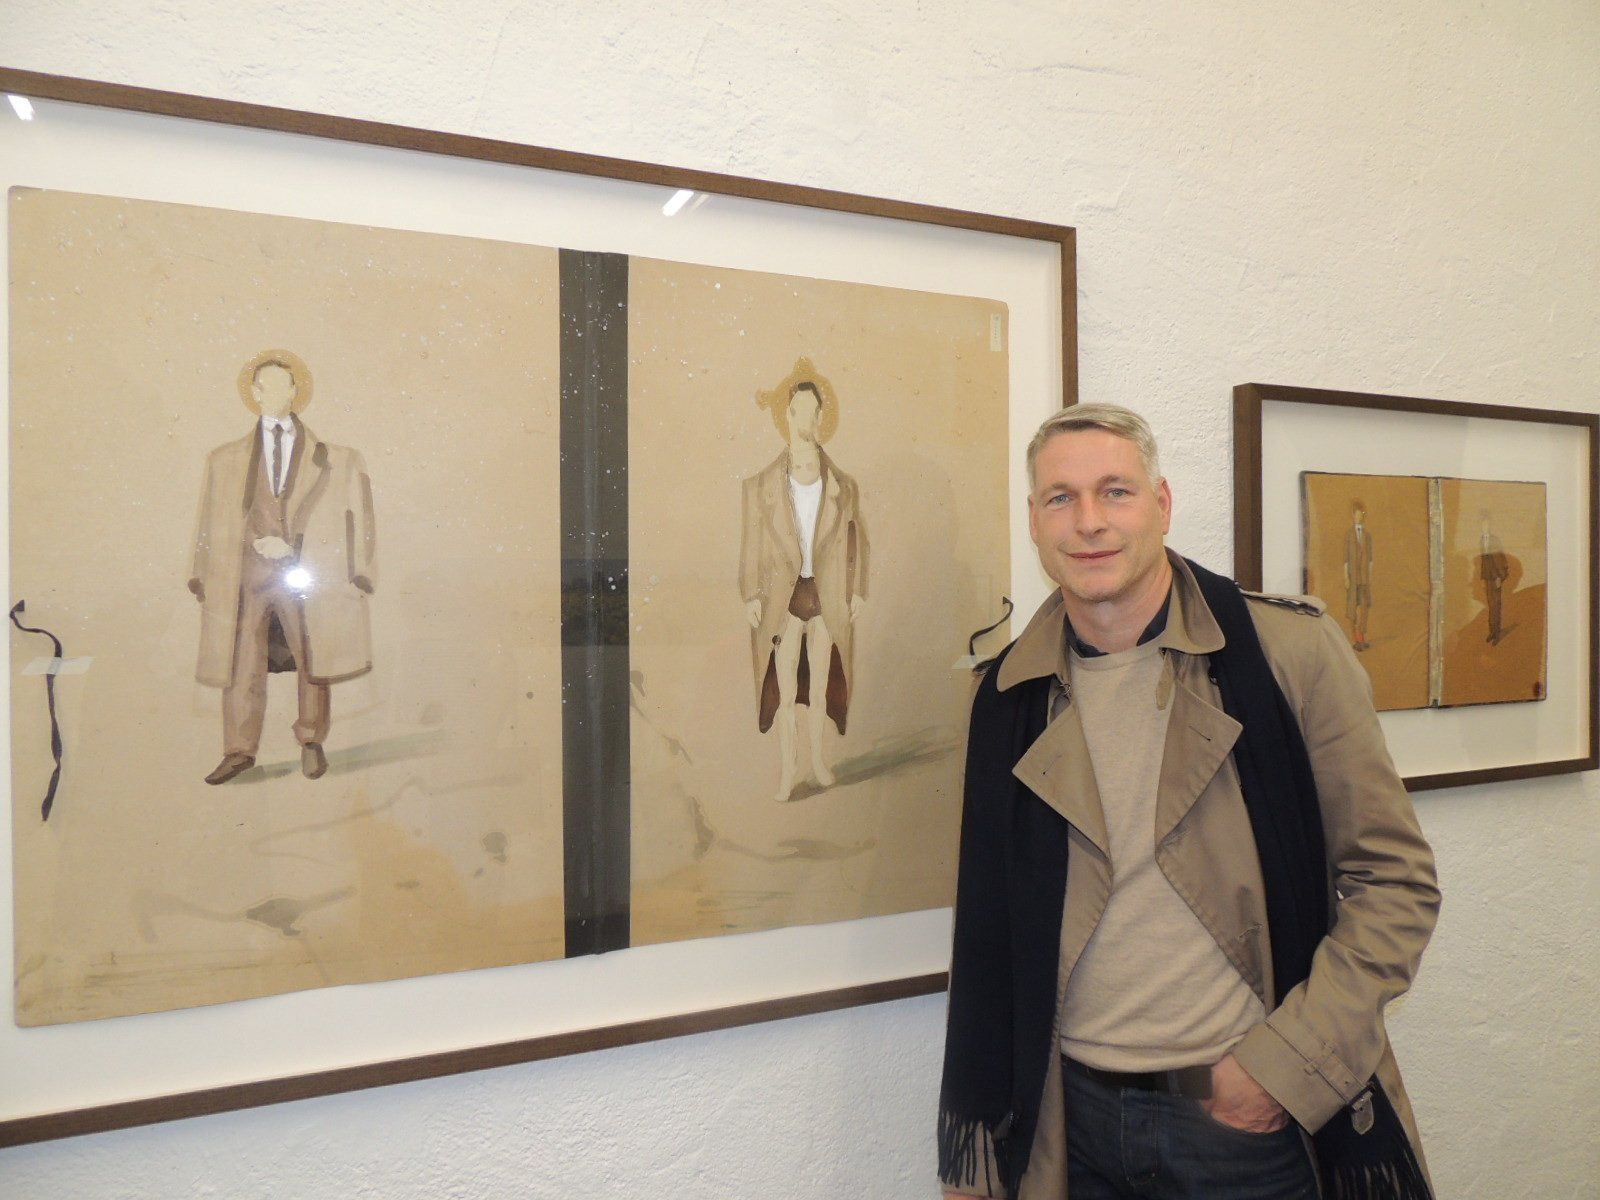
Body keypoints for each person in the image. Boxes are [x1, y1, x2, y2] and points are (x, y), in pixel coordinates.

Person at [937, 405, 1439, 1200]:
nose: (1089, 522)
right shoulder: (1005, 697)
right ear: (1034, 521)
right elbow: (990, 927)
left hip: (1246, 1124)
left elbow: (1395, 884)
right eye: (1061, 498)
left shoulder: (1288, 655)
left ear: (1162, 504)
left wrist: (1281, 1069)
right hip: (1069, 1128)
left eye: (1116, 491)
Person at [189, 350, 377, 785]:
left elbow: (360, 520)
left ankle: (311, 741)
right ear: (253, 394)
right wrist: (201, 575)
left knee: (313, 655)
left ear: (295, 391)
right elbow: (207, 523)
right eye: (264, 386)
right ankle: (238, 751)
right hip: (245, 576)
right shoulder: (223, 459)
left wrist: (359, 573)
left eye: (282, 385)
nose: (274, 393)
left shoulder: (338, 457)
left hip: (304, 573)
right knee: (241, 662)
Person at [739, 375, 868, 801]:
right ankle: (787, 772)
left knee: (818, 690)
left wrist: (857, 590)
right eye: (798, 412)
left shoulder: (843, 484)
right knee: (786, 693)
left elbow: (858, 540)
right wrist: (750, 594)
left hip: (825, 597)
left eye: (813, 412)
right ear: (787, 415)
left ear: (821, 416)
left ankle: (818, 763)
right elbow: (752, 543)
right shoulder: (761, 485)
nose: (805, 420)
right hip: (783, 600)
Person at [1344, 499, 1374, 651]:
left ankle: (1361, 635)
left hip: (1364, 579)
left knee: (1364, 607)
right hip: (1353, 578)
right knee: (1353, 609)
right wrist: (1346, 577)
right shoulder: (1349, 535)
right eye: (1355, 514)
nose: (1357, 517)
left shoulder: (1367, 536)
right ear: (1352, 515)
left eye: (1360, 514)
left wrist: (1369, 577)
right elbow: (1346, 559)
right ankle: (1356, 639)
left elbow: (1370, 560)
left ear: (1363, 515)